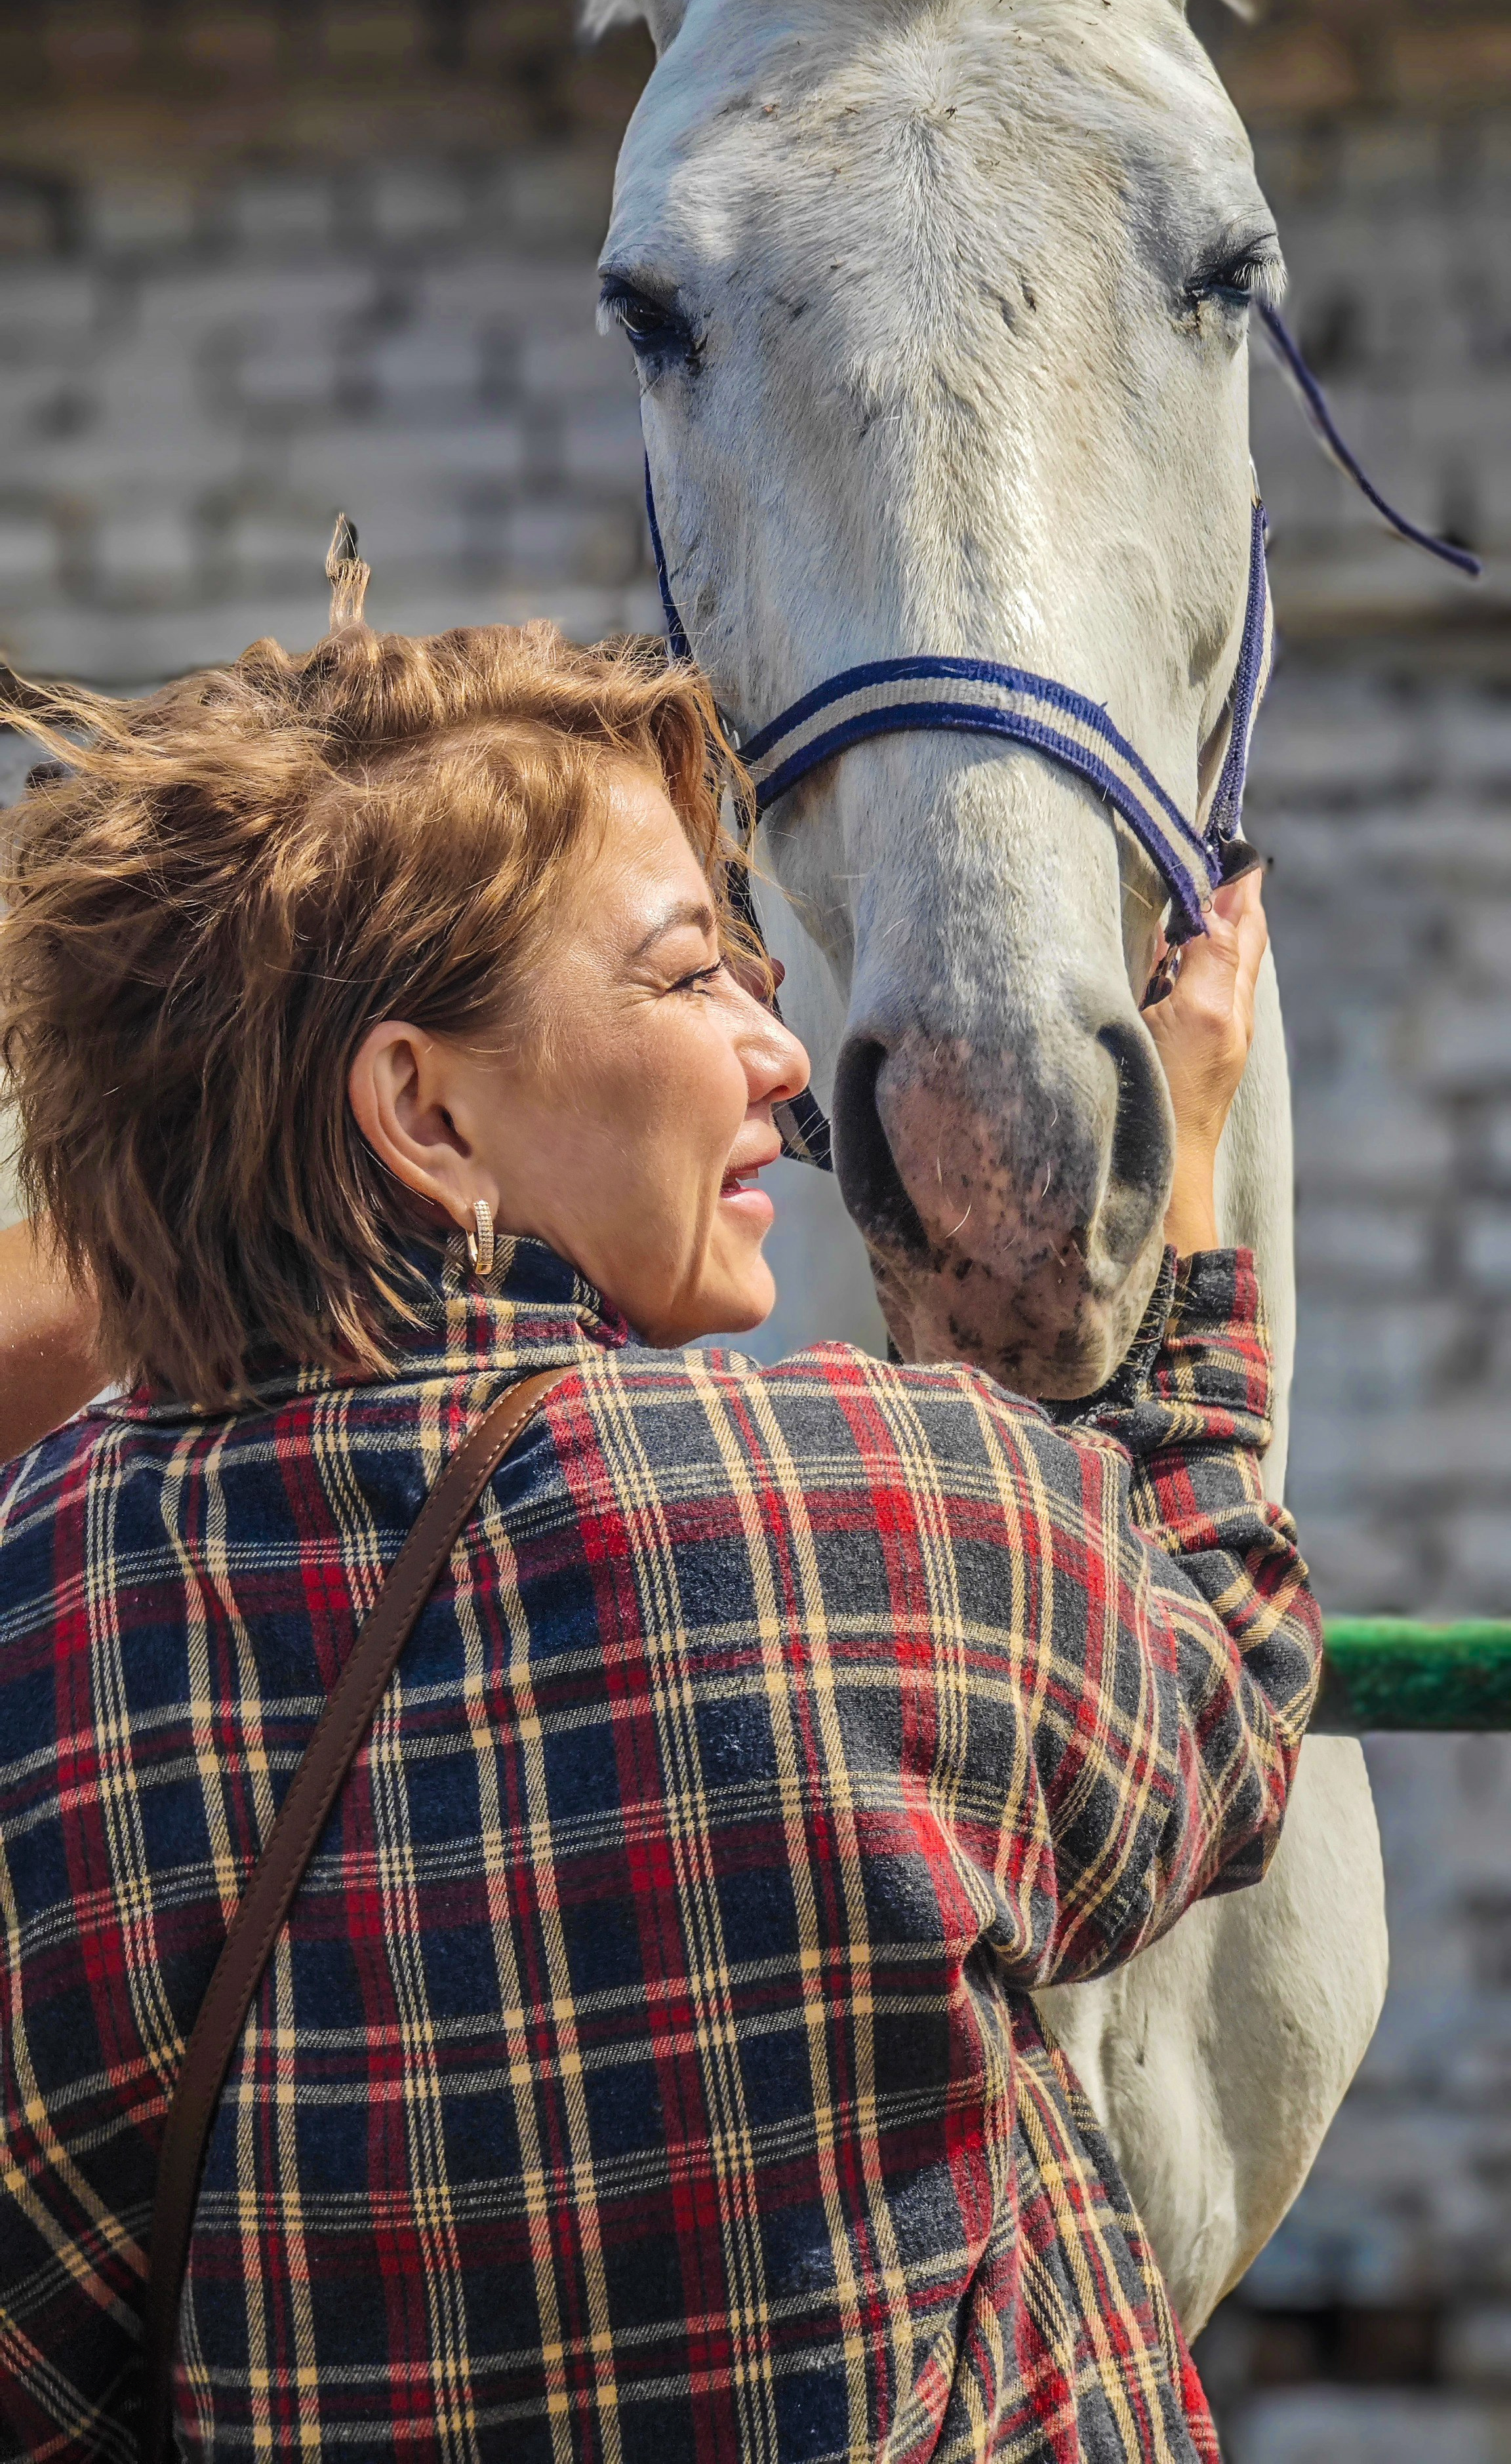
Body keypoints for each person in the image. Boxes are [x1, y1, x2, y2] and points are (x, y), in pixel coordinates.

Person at [0, 602, 1314, 2464]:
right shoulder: (871, 1505)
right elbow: (1228, 1693)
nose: (782, 1051)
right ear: (423, 1116)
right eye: (692, 975)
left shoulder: (43, 1590)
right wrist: (1176, 1197)